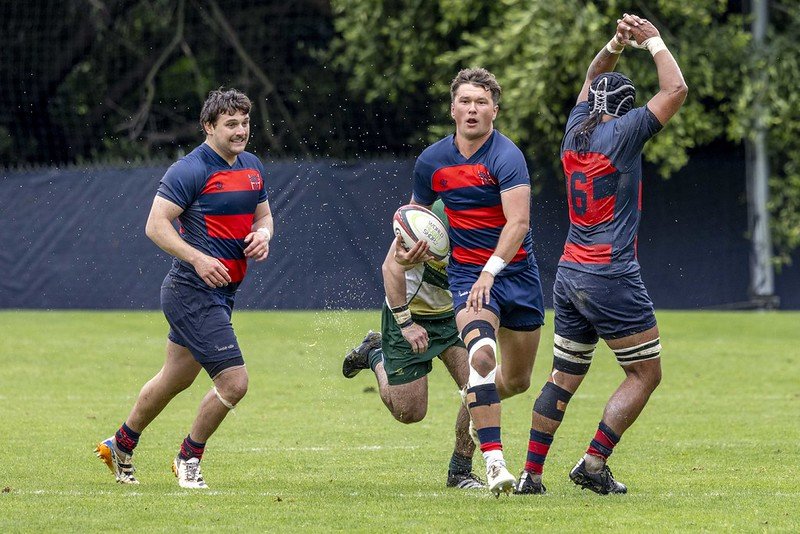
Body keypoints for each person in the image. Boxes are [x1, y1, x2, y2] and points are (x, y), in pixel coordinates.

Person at [516, 14, 688, 495]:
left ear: (592, 103)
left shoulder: (575, 129)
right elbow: (675, 90)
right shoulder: (626, 132)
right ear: (628, 108)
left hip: (569, 272)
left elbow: (591, 80)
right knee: (645, 372)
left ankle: (531, 474)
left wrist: (615, 42)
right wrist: (652, 39)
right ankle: (593, 463)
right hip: (609, 272)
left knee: (564, 375)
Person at [95, 88, 274, 489]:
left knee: (175, 378)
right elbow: (155, 225)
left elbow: (264, 217)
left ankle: (120, 445)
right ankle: (188, 457)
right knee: (234, 382)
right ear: (209, 126)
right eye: (230, 124)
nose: (240, 130)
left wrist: (263, 235)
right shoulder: (190, 169)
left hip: (222, 293)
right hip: (190, 291)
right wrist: (197, 257)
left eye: (245, 122)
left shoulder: (252, 166)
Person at [410, 68, 545, 496]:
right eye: (465, 102)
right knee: (482, 356)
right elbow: (415, 219)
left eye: (481, 103)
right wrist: (410, 247)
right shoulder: (432, 161)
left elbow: (519, 222)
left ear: (494, 111)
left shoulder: (506, 157)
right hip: (468, 275)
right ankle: (493, 462)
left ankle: (476, 398)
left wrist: (493, 269)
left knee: (517, 380)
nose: (473, 109)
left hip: (516, 274)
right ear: (453, 108)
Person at [342, 201, 484, 490]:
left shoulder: (495, 221)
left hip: (454, 316)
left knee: (480, 386)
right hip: (408, 315)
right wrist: (406, 324)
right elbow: (389, 267)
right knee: (409, 412)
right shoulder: (430, 219)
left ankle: (460, 471)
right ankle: (374, 354)